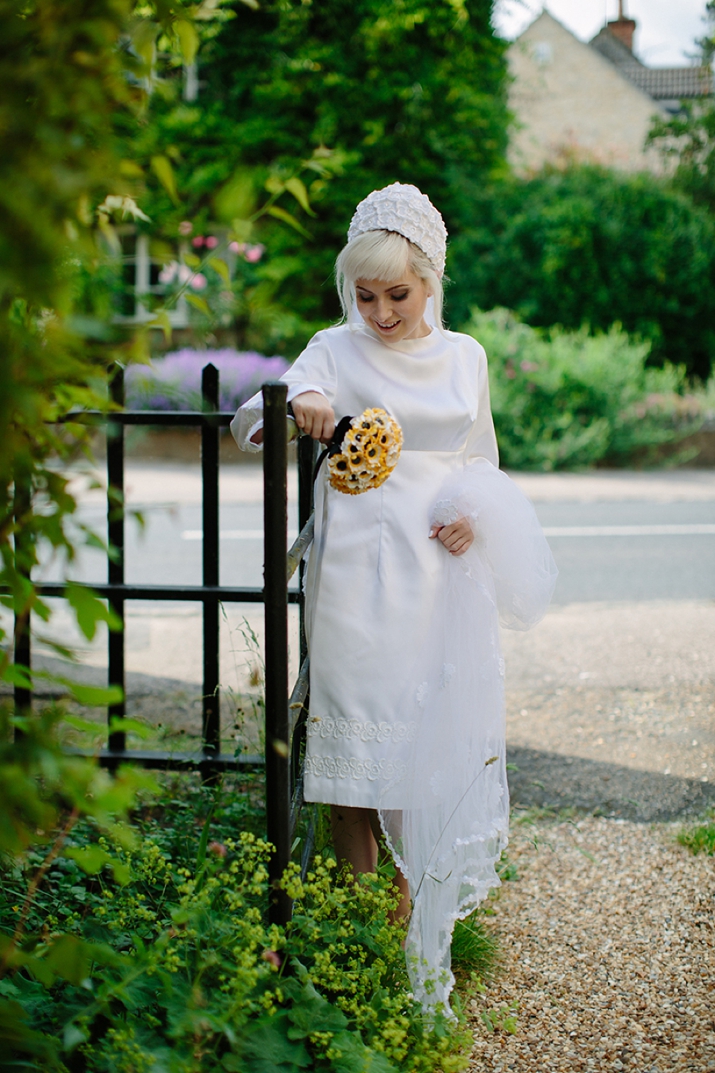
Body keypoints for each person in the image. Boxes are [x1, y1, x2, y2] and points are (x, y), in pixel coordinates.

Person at [232, 183, 557, 1012]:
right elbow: (248, 420)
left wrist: (471, 517)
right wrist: (299, 400)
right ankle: (361, 932)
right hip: (353, 586)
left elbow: (482, 462)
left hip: (436, 585)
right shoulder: (331, 350)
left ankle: (418, 929)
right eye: (365, 295)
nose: (379, 311)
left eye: (397, 295)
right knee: (355, 765)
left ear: (430, 281)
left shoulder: (465, 359)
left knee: (424, 751)